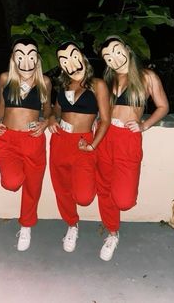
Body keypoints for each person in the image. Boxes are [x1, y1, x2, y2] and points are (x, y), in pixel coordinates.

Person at [97, 36, 169, 261]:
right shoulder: (107, 81)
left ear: (127, 49)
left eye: (117, 51)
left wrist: (144, 125)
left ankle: (114, 222)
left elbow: (163, 106)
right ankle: (112, 232)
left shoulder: (147, 77)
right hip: (104, 136)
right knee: (104, 187)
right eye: (108, 57)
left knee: (124, 199)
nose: (113, 59)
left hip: (128, 139)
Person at [48, 41, 110, 253]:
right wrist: (51, 120)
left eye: (74, 56)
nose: (70, 63)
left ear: (82, 58)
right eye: (63, 60)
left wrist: (93, 145)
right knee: (61, 188)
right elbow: (55, 111)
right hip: (60, 140)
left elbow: (106, 119)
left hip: (83, 143)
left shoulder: (98, 84)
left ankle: (77, 217)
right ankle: (72, 225)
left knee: (84, 197)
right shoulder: (63, 86)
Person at [0, 35, 52, 251]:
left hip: (33, 139)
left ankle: (26, 226)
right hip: (7, 138)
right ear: (13, 58)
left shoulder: (44, 81)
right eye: (21, 56)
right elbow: (1, 106)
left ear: (37, 59)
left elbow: (47, 109)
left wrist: (44, 123)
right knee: (12, 182)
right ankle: (22, 180)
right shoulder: (5, 78)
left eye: (31, 56)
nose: (26, 61)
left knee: (33, 186)